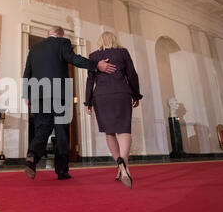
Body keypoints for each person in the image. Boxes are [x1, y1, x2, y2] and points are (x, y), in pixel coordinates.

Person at [23, 26, 117, 180]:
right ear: (60, 35)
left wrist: (26, 95)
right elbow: (74, 59)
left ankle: (32, 154)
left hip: (38, 94)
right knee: (61, 131)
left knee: (42, 127)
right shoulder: (62, 43)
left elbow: (27, 72)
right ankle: (61, 171)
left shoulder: (34, 48)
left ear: (48, 34)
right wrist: (96, 65)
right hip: (59, 92)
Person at [84, 31, 143, 189]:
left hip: (101, 97)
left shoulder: (93, 56)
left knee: (109, 132)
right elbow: (132, 74)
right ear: (115, 40)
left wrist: (87, 101)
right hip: (121, 94)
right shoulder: (122, 52)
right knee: (124, 130)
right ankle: (124, 163)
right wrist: (136, 94)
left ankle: (120, 166)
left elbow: (90, 79)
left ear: (100, 41)